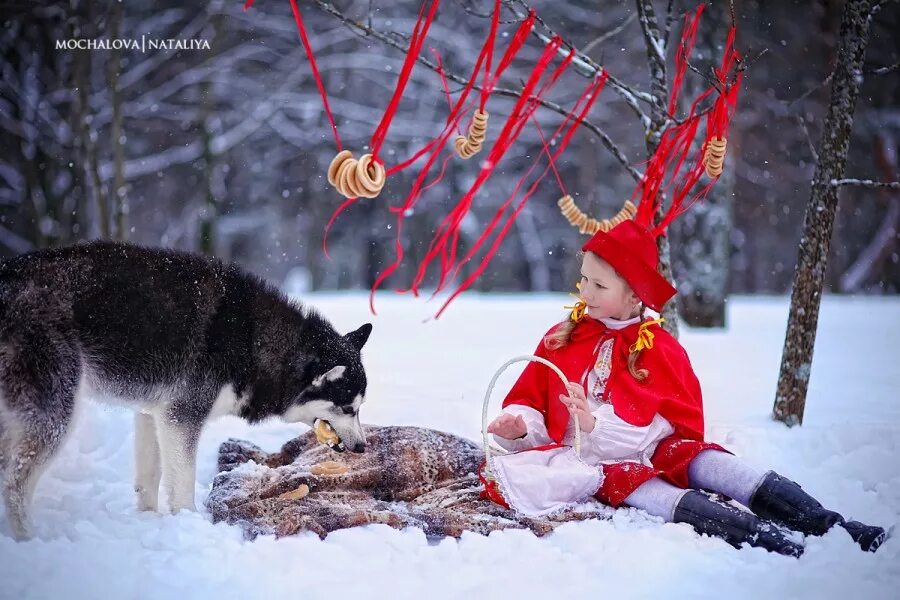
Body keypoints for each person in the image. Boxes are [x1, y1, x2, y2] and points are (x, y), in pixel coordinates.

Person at [484, 219, 886, 556]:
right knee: (650, 492)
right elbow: (534, 402)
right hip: (595, 464)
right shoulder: (563, 338)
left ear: (634, 294)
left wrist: (595, 423)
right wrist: (520, 424)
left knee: (717, 465)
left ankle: (832, 526)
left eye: (600, 286)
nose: (585, 292)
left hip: (655, 445)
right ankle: (770, 542)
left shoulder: (658, 348)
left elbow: (655, 423)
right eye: (584, 279)